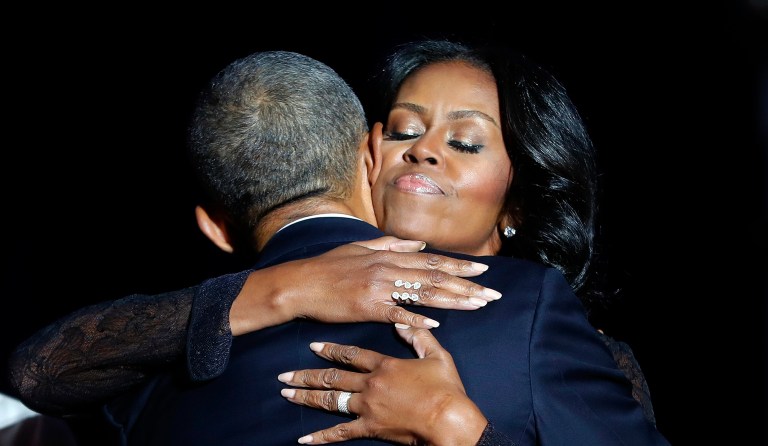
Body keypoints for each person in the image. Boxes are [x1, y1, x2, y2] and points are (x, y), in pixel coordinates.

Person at [8, 42, 664, 444]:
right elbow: (37, 373)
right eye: (406, 129)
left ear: (518, 203)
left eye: (463, 142)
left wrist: (458, 429)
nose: (425, 152)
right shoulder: (201, 334)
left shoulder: (559, 330)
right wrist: (285, 287)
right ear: (369, 158)